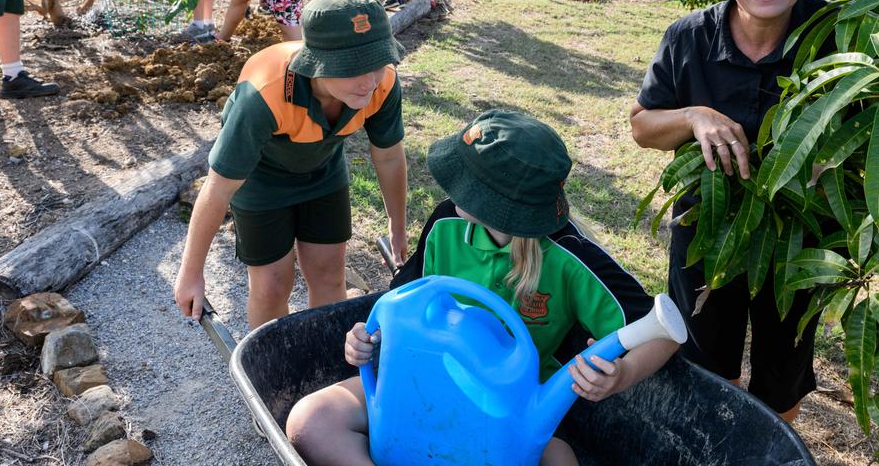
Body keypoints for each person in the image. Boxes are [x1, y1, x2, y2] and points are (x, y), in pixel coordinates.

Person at [287, 110, 678, 466]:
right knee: (312, 421)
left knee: (560, 459)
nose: (451, 186)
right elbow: (396, 307)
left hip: (514, 406)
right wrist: (366, 339)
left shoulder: (570, 257)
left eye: (465, 180)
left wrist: (622, 374)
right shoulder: (445, 224)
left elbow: (662, 333)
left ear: (498, 205)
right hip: (420, 375)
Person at [629, 0, 855, 423]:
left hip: (802, 239)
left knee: (781, 385)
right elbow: (641, 126)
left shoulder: (837, 36)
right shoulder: (688, 39)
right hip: (706, 230)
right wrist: (692, 115)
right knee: (709, 367)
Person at [174, 0, 408, 329]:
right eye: (354, 69)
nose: (369, 81)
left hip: (323, 172)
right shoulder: (263, 95)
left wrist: (397, 227)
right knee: (271, 286)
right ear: (318, 64)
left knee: (329, 274)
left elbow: (389, 157)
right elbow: (218, 188)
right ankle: (272, 375)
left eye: (377, 63)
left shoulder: (381, 84)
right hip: (261, 180)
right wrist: (191, 272)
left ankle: (326, 362)